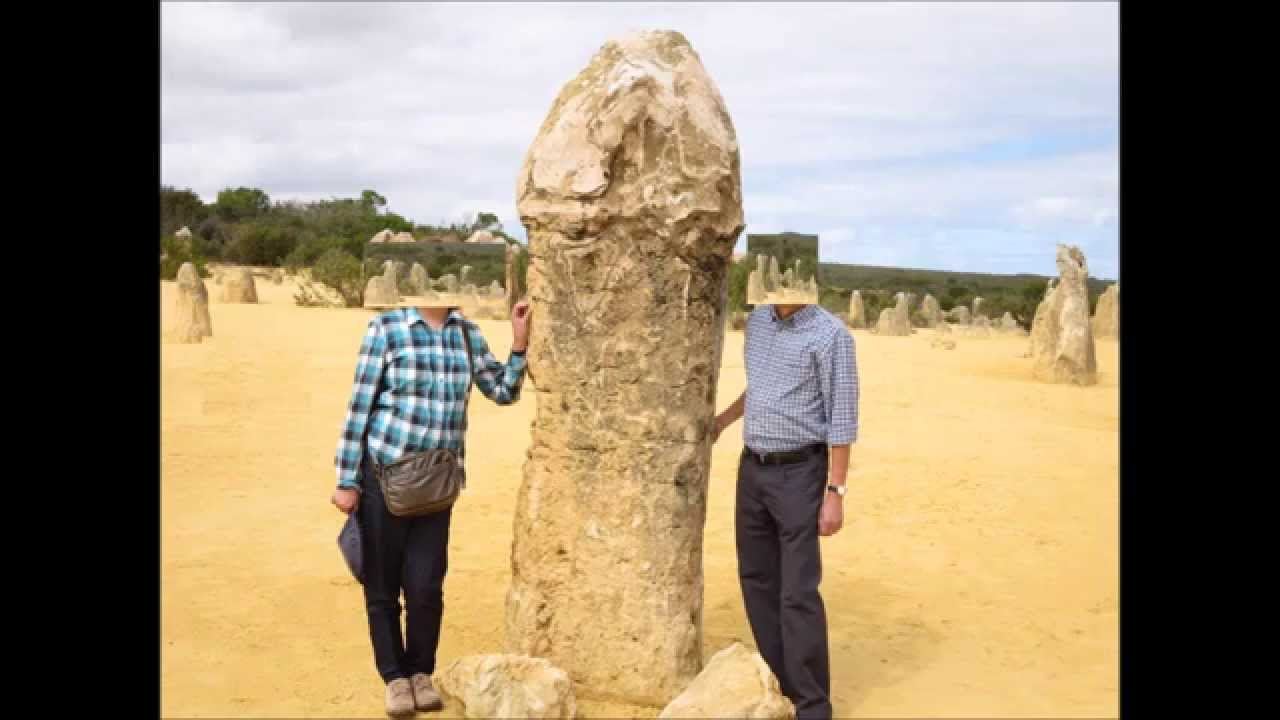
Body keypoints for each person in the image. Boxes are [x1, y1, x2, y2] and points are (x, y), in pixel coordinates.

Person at [331, 293, 531, 717]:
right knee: (381, 586)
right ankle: (395, 679)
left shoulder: (466, 334)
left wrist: (518, 343)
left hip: (437, 484)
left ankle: (421, 671)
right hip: (384, 476)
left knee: (425, 586)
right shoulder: (386, 330)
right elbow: (358, 408)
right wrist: (347, 480)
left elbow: (503, 391)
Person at [711, 301, 859, 720]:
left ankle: (813, 706)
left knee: (797, 592)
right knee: (756, 579)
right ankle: (780, 687)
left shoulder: (832, 336)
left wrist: (836, 491)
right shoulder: (759, 322)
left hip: (800, 473)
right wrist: (723, 420)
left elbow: (843, 419)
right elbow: (760, 387)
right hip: (753, 469)